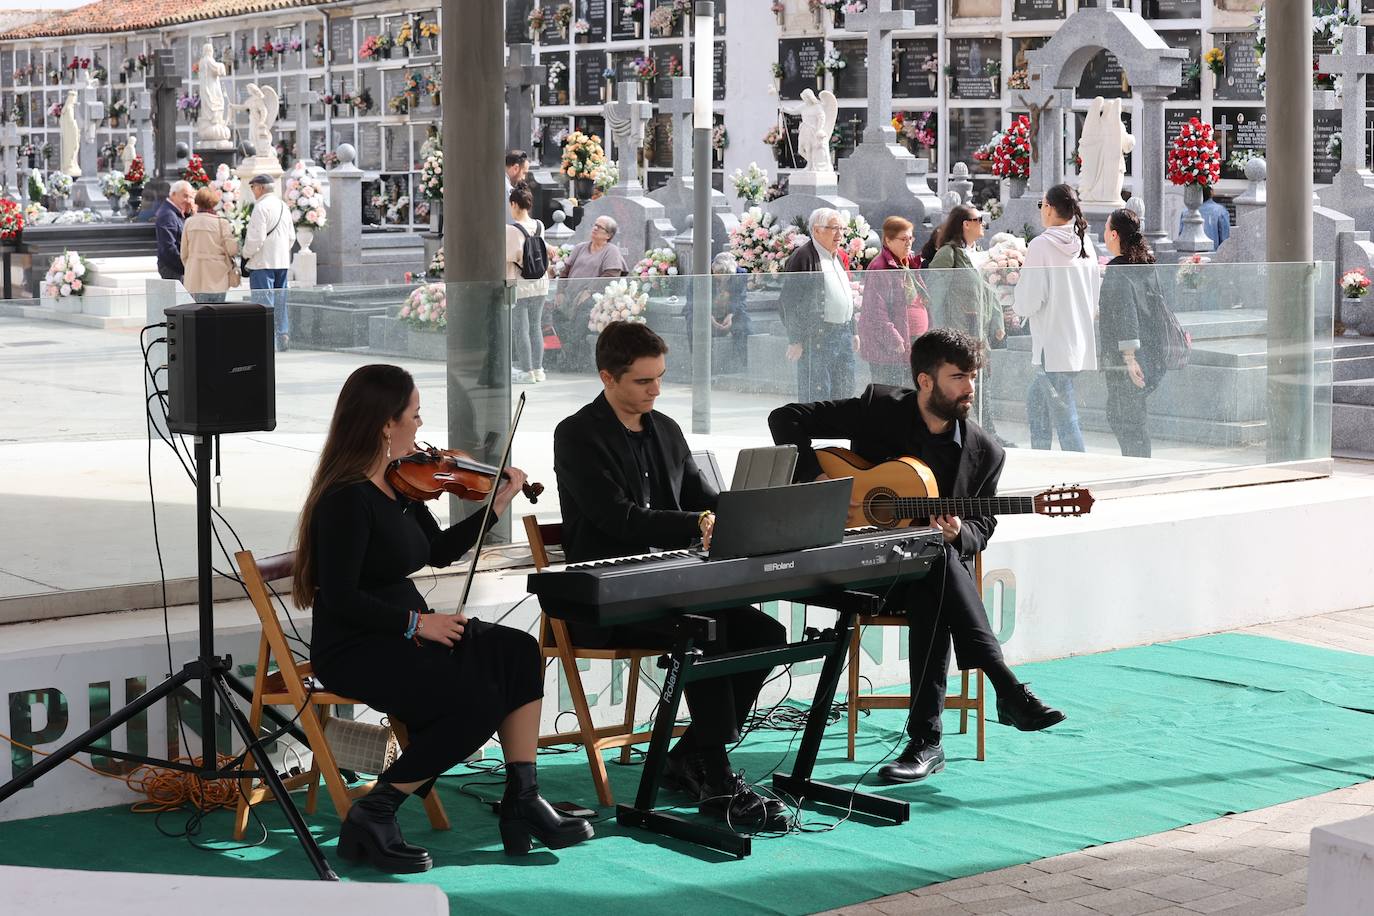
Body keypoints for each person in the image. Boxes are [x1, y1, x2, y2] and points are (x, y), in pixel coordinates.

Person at [293, 364, 593, 873]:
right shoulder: (346, 499)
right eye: (414, 414)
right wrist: (416, 625)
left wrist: (495, 506)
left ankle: (523, 797)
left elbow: (437, 551)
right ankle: (375, 811)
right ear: (385, 424)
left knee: (519, 652)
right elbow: (340, 598)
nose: (420, 425)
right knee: (478, 697)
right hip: (357, 646)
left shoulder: (400, 487)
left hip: (408, 630)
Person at [768, 328, 1066, 784]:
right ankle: (1003, 690)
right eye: (958, 377)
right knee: (939, 573)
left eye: (973, 376)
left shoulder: (985, 452)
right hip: (857, 569)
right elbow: (785, 418)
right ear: (925, 381)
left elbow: (983, 527)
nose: (970, 387)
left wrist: (960, 532)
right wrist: (818, 480)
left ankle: (927, 742)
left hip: (924, 579)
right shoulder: (879, 410)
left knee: (936, 565)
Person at [552, 322, 788, 830]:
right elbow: (618, 518)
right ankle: (717, 780)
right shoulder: (576, 434)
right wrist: (696, 523)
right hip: (610, 598)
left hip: (676, 590)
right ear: (607, 377)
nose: (656, 390)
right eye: (643, 381)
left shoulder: (666, 429)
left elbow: (703, 497)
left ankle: (689, 756)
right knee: (706, 631)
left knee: (766, 633)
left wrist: (751, 516)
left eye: (660, 377)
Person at [1012, 183, 1099, 452]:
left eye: (1042, 205)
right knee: (1038, 402)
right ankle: (1042, 458)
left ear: (1049, 208)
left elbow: (1030, 298)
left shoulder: (1041, 245)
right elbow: (1094, 291)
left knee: (1065, 416)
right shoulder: (1084, 242)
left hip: (1052, 343)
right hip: (1078, 340)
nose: (1041, 210)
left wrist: (1015, 305)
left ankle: (1079, 465)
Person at [926, 205, 1012, 446]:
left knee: (982, 385)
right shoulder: (948, 254)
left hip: (978, 333)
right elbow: (936, 296)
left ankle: (987, 435)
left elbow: (989, 291)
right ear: (965, 224)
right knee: (961, 388)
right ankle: (965, 437)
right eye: (978, 219)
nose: (983, 223)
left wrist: (997, 319)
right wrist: (941, 335)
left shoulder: (976, 254)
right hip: (958, 333)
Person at [1100, 208, 1162, 458]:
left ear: (1114, 234)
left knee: (1123, 416)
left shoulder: (1119, 269)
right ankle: (1140, 462)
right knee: (1132, 415)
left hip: (1126, 358)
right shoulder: (1146, 266)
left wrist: (1129, 358)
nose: (1104, 233)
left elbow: (1127, 312)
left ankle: (1138, 465)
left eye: (1106, 228)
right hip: (1150, 350)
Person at [780, 207, 858, 401]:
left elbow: (845, 295)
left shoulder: (836, 256)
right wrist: (796, 339)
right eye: (834, 228)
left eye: (842, 229)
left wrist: (853, 330)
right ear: (816, 230)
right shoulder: (803, 256)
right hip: (818, 337)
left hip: (842, 334)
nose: (840, 234)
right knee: (818, 394)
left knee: (844, 390)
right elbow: (788, 302)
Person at [551, 216, 627, 371]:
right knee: (556, 315)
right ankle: (569, 355)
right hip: (570, 295)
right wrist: (560, 292)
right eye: (595, 225)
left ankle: (573, 360)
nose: (595, 228)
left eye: (600, 227)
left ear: (608, 235)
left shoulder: (611, 250)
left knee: (581, 318)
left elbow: (611, 274)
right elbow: (565, 271)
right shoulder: (580, 247)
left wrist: (589, 291)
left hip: (594, 298)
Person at [859, 216, 926, 387]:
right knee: (890, 395)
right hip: (890, 349)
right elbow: (875, 312)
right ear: (888, 240)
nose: (908, 243)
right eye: (903, 239)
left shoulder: (908, 262)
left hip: (914, 341)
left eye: (910, 238)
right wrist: (895, 341)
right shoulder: (880, 267)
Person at [242, 174, 297, 352]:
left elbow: (256, 239)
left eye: (253, 187)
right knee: (281, 301)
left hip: (262, 263)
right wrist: (281, 252)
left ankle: (265, 340)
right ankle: (282, 334)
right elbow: (291, 237)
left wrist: (245, 254)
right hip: (282, 261)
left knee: (263, 304)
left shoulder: (261, 207)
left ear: (260, 188)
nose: (252, 191)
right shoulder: (283, 206)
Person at [505, 184, 550, 384]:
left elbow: (510, 257)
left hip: (519, 284)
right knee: (535, 327)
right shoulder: (539, 225)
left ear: (514, 204)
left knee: (521, 329)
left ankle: (526, 371)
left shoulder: (511, 230)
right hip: (540, 282)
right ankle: (538, 369)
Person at [683, 251, 752, 373]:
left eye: (726, 278)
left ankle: (744, 363)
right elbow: (693, 300)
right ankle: (698, 362)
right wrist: (708, 316)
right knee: (694, 322)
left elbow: (740, 299)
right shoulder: (701, 272)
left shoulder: (740, 274)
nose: (722, 281)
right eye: (719, 277)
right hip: (702, 310)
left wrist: (730, 315)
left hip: (729, 311)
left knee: (744, 323)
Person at [179, 186, 239, 304]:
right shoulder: (221, 223)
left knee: (197, 312)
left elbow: (184, 253)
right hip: (218, 276)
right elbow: (232, 250)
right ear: (214, 203)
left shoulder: (189, 222)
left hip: (195, 276)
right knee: (217, 311)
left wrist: (193, 263)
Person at [155, 180, 195, 283]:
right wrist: (185, 267)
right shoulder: (167, 214)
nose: (188, 200)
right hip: (174, 269)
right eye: (185, 196)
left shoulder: (176, 212)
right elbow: (168, 247)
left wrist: (189, 214)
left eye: (190, 197)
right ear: (173, 194)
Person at [1176, 183, 1230, 252]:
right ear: (1211, 192)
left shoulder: (1186, 212)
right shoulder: (1220, 211)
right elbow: (1225, 241)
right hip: (1213, 255)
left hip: (1188, 255)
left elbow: (1181, 238)